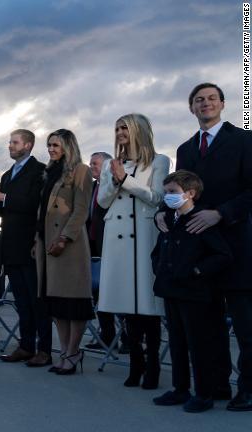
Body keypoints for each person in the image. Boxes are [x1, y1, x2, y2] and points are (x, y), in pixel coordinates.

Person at [156, 83, 252, 411]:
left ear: (223, 104)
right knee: (207, 328)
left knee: (245, 325)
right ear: (191, 108)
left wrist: (220, 214)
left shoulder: (244, 140)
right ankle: (215, 385)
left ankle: (249, 389)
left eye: (212, 98)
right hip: (200, 252)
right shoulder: (186, 149)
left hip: (237, 245)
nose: (205, 103)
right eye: (199, 100)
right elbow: (183, 191)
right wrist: (161, 213)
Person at [97, 114, 170, 389]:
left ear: (138, 130)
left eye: (124, 127)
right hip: (117, 238)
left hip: (143, 235)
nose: (119, 132)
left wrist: (125, 179)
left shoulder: (159, 161)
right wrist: (115, 179)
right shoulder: (109, 164)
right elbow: (103, 201)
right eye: (116, 128)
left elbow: (157, 197)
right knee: (127, 305)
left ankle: (152, 366)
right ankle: (135, 363)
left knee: (147, 306)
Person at [151, 170, 233, 412]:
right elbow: (158, 251)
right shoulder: (169, 219)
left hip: (195, 293)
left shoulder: (200, 221)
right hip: (171, 289)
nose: (168, 197)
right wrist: (158, 268)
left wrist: (197, 271)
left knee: (198, 345)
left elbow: (222, 255)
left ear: (190, 193)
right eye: (166, 193)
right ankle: (180, 388)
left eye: (173, 192)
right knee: (176, 342)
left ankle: (204, 393)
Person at [0, 129, 52, 367]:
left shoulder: (40, 171)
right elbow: (4, 210)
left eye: (15, 142)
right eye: (9, 142)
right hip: (10, 244)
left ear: (28, 145)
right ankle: (25, 346)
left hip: (30, 243)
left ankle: (44, 349)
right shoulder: (7, 174)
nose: (10, 146)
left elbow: (35, 204)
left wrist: (4, 198)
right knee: (22, 300)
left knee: (37, 300)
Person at [35, 129, 94, 375]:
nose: (51, 149)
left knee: (73, 301)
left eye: (56, 145)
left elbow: (81, 209)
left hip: (68, 245)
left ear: (68, 146)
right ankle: (63, 352)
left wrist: (64, 237)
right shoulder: (48, 173)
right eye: (49, 145)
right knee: (56, 303)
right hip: (46, 244)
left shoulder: (81, 171)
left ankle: (73, 352)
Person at [85, 151, 118, 352]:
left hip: (112, 244)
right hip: (93, 243)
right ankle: (107, 336)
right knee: (99, 292)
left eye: (95, 163)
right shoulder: (91, 187)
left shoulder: (113, 185)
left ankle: (127, 338)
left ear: (107, 165)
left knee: (116, 290)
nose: (91, 167)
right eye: (90, 163)